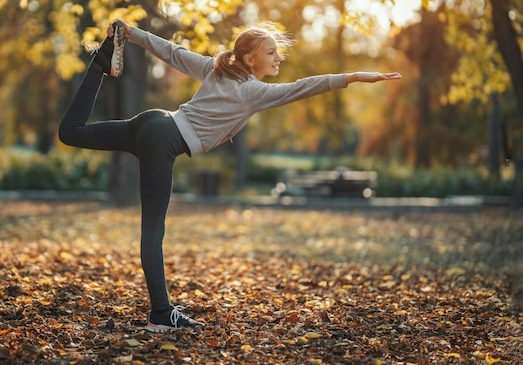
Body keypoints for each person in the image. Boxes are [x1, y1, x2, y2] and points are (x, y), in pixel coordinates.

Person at [58, 19, 401, 333]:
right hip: (162, 141)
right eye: (270, 52)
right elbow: (303, 87)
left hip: (153, 122)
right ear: (251, 60)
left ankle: (101, 63)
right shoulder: (252, 92)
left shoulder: (217, 69)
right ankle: (161, 315)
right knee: (153, 233)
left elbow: (174, 53)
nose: (278, 57)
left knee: (72, 132)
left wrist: (132, 34)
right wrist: (352, 77)